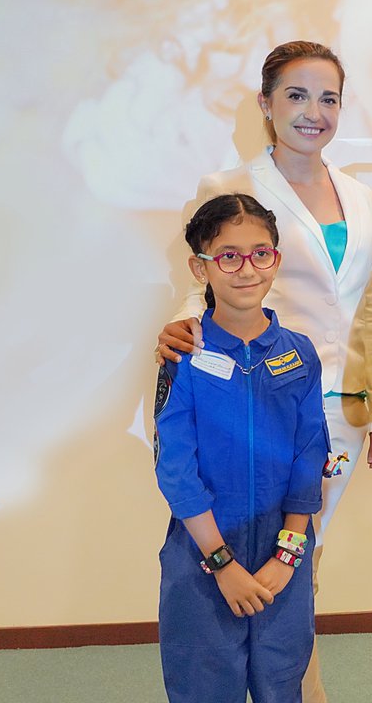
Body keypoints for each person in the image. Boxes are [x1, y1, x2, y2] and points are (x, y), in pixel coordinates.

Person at [155, 41, 372, 702]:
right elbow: (206, 275)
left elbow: (370, 300)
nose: (313, 112)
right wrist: (181, 328)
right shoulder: (230, 186)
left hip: (339, 412)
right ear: (266, 103)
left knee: (303, 558)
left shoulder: (359, 194)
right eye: (296, 95)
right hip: (256, 403)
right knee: (268, 559)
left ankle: (289, 687)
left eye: (328, 98)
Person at [154, 193, 328, 702]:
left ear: (276, 258)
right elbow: (176, 468)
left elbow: (308, 457)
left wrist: (287, 555)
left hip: (281, 560)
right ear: (200, 266)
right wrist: (223, 564)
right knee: (205, 683)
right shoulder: (182, 355)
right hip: (203, 555)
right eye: (228, 255)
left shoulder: (299, 355)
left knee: (282, 679)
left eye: (261, 253)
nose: (246, 268)